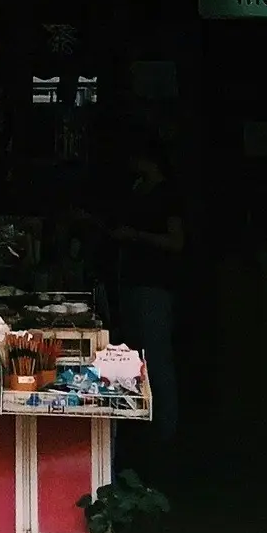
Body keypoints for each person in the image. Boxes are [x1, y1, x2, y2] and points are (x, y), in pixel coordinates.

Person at [111, 139, 183, 451]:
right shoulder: (139, 188)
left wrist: (135, 236)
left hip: (155, 284)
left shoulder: (167, 194)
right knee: (134, 356)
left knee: (156, 356)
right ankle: (140, 422)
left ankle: (165, 427)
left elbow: (177, 242)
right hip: (132, 282)